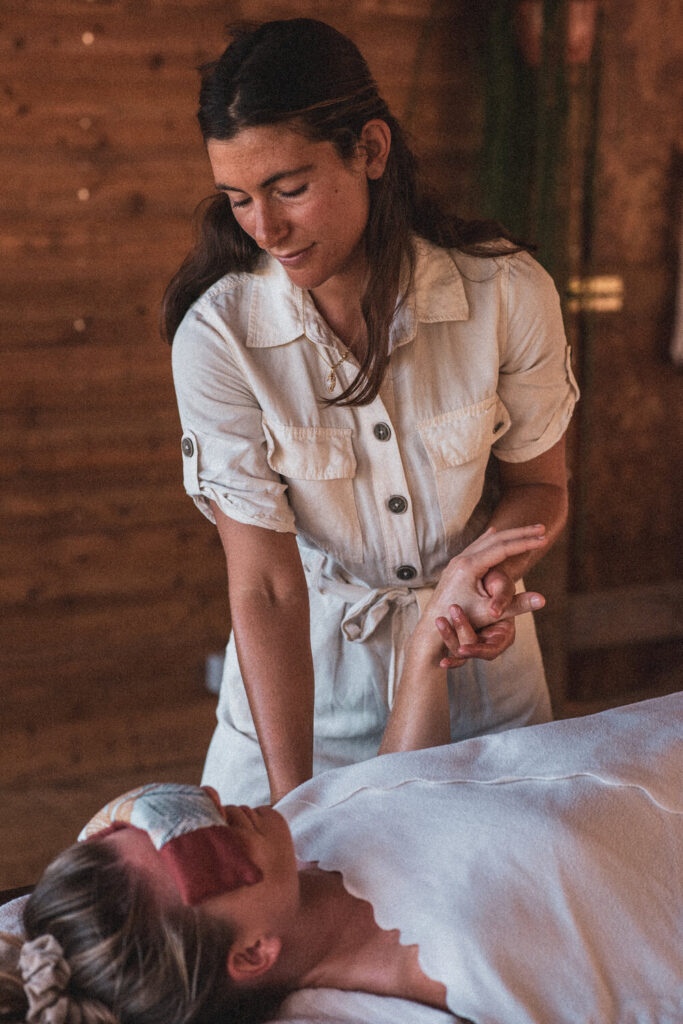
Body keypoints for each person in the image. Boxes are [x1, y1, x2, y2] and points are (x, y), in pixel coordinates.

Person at [1, 538, 680, 1022]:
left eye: (172, 810)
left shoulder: (288, 845)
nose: (221, 808)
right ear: (251, 956)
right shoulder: (453, 978)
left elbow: (394, 793)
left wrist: (424, 657)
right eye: (204, 852)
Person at [166, 18, 579, 804]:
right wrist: (295, 809)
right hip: (304, 702)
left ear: (371, 150)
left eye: (290, 188)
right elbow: (266, 588)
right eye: (238, 199)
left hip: (481, 686)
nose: (266, 227)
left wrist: (482, 579)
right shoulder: (219, 337)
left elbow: (541, 487)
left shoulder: (506, 293)